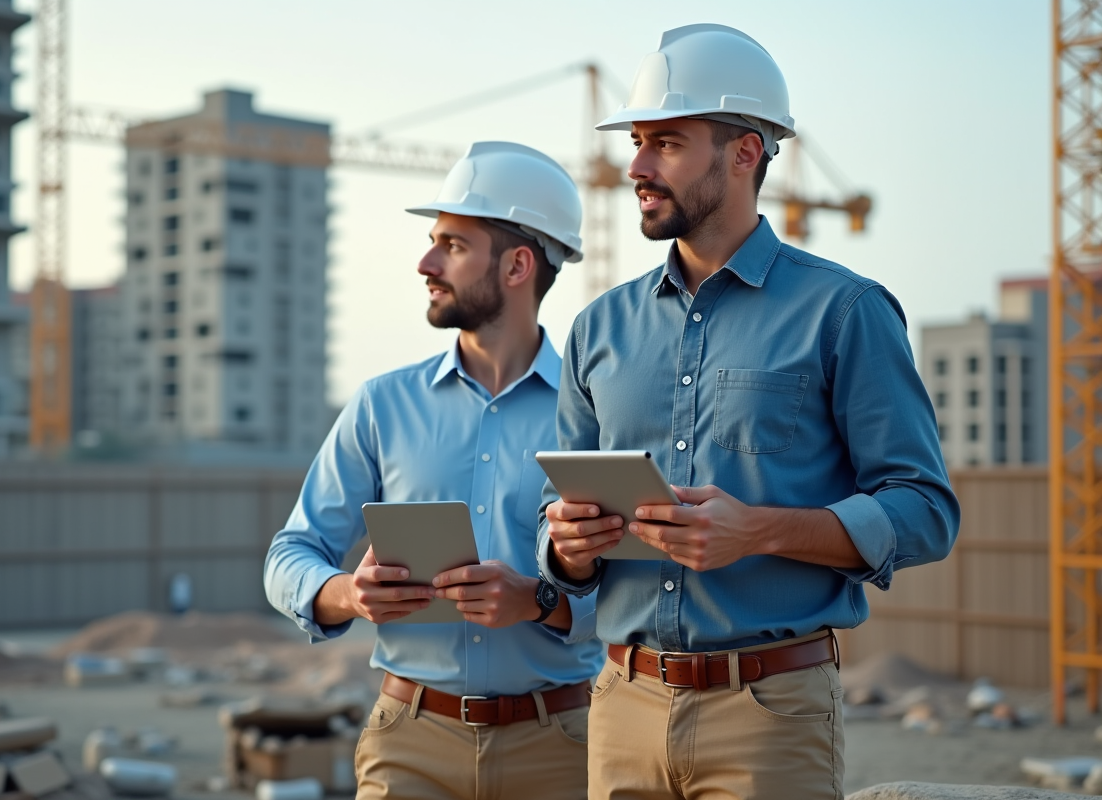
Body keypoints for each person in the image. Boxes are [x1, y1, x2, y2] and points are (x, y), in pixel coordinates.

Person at [537, 24, 959, 800]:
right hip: (620, 708)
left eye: (665, 142)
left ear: (744, 153)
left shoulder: (846, 312)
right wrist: (567, 544)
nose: (635, 167)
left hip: (770, 715)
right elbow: (555, 533)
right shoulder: (597, 329)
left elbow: (925, 513)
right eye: (637, 141)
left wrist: (758, 529)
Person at [265, 141, 602, 800]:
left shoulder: (596, 417)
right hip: (409, 744)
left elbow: (639, 595)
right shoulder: (380, 406)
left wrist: (539, 602)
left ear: (517, 265)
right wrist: (347, 595)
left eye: (451, 245)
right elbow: (289, 555)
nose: (425, 262)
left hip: (563, 748)